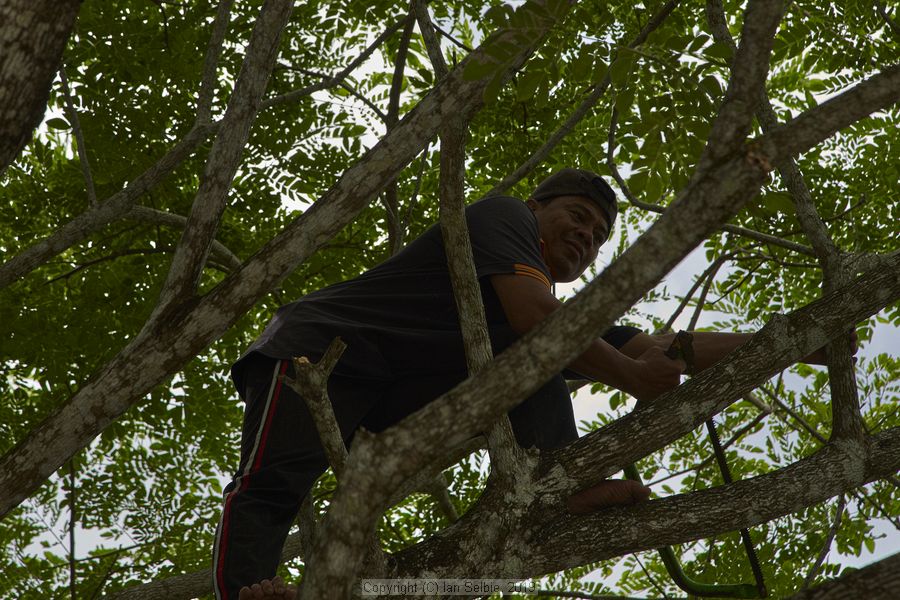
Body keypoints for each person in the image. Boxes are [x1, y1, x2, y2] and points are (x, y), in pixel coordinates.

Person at [212, 168, 836, 600]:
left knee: (547, 349)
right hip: (324, 352)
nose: (585, 237)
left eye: (596, 238)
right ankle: (246, 594)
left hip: (390, 396)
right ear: (537, 208)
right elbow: (544, 321)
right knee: (274, 483)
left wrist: (796, 341)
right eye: (577, 217)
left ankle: (556, 482)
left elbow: (655, 349)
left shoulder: (556, 311)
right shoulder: (504, 216)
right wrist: (635, 381)